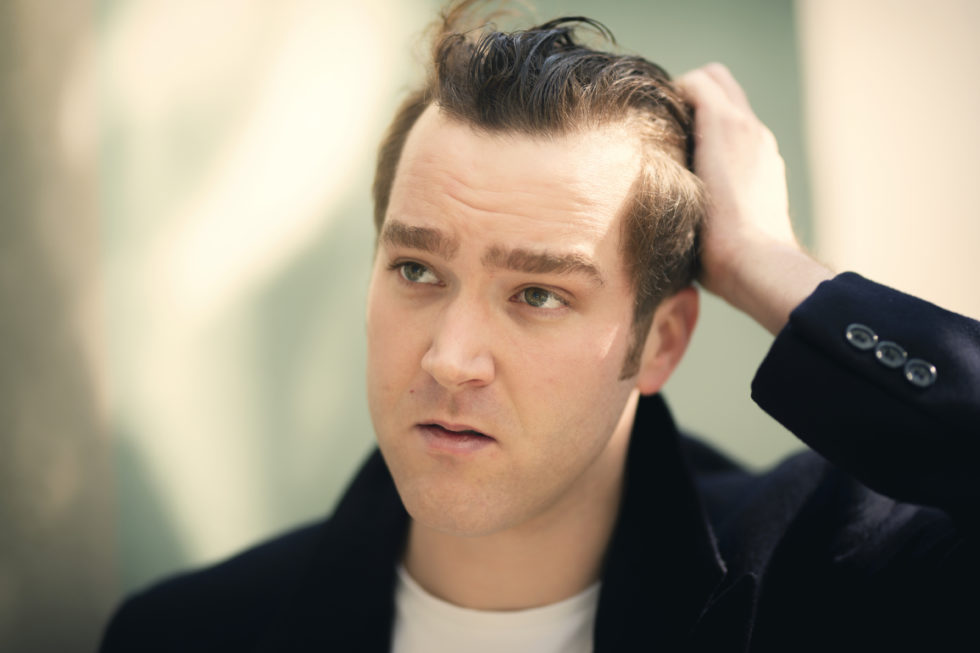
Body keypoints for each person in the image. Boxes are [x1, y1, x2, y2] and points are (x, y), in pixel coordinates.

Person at [100, 1, 980, 651]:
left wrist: (770, 264)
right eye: (416, 270)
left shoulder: (832, 582)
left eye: (537, 294)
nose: (451, 360)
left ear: (661, 342)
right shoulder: (188, 632)